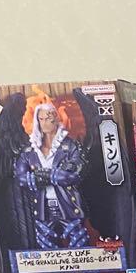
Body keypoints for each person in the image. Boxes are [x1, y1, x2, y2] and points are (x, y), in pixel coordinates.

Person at [13, 91, 90, 252]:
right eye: (41, 119)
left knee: (80, 248)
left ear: (56, 118)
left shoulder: (70, 146)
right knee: (47, 250)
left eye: (48, 118)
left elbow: (76, 173)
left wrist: (49, 175)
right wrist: (40, 177)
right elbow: (20, 177)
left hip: (69, 205)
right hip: (42, 208)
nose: (45, 122)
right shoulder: (29, 151)